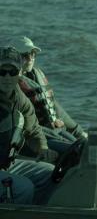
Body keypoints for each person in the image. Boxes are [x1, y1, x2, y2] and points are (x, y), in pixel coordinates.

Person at [7, 36, 87, 154]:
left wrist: (78, 131)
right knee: (75, 151)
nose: (30, 58)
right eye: (25, 55)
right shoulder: (9, 84)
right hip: (35, 138)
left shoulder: (35, 75)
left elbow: (54, 107)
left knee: (84, 145)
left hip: (55, 131)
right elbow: (26, 126)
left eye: (33, 54)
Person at [0, 47, 58, 204]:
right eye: (1, 71)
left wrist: (43, 149)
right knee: (23, 188)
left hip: (6, 164)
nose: (6, 77)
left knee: (50, 173)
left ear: (19, 73)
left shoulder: (19, 98)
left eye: (11, 71)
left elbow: (33, 129)